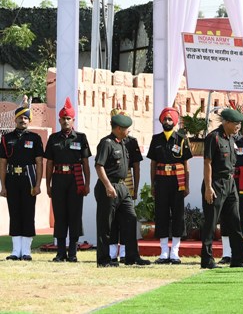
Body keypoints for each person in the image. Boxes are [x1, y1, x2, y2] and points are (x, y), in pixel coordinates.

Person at [94, 112, 150, 267]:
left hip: (122, 187)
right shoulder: (106, 143)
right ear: (118, 128)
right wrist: (107, 185)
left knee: (130, 219)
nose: (128, 131)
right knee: (106, 225)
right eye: (126, 128)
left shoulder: (123, 143)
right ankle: (104, 259)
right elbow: (99, 166)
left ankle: (132, 256)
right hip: (109, 187)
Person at [200, 108, 243, 269]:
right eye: (236, 123)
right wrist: (208, 187)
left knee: (235, 221)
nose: (238, 127)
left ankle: (238, 259)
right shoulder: (213, 138)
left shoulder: (231, 138)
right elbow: (207, 162)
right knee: (211, 223)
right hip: (215, 183)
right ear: (226, 122)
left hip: (230, 184)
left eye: (240, 124)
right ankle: (207, 260)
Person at [44, 97, 91, 262]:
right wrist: (48, 184)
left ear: (73, 120)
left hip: (75, 181)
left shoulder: (81, 138)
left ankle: (73, 253)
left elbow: (85, 163)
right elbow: (49, 163)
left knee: (74, 215)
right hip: (58, 180)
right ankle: (60, 252)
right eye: (63, 118)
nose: (65, 121)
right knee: (60, 216)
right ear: (59, 120)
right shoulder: (53, 139)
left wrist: (87, 184)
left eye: (68, 118)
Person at [146, 107, 192, 264]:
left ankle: (175, 252)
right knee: (161, 214)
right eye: (164, 119)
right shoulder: (156, 139)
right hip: (161, 182)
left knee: (178, 215)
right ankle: (164, 251)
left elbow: (186, 164)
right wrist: (153, 184)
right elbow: (153, 164)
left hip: (177, 182)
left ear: (175, 122)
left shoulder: (181, 139)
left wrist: (187, 184)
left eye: (170, 119)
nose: (167, 121)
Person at [0, 105, 44, 261]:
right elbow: (3, 163)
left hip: (28, 179)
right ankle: (15, 251)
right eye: (20, 117)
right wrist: (3, 186)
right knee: (15, 213)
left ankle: (26, 251)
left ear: (29, 120)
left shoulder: (35, 138)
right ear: (15, 119)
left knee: (28, 212)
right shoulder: (6, 138)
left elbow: (39, 163)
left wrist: (38, 184)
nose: (23, 120)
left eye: (26, 118)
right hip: (12, 179)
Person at [109, 115, 143, 264]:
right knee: (112, 219)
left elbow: (136, 166)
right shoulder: (108, 142)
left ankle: (124, 253)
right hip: (112, 183)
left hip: (127, 180)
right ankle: (111, 253)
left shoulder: (131, 141)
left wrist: (135, 187)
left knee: (127, 219)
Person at [220, 132, 243, 265]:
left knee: (239, 218)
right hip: (225, 182)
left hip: (240, 185)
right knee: (224, 219)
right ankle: (226, 254)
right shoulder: (221, 140)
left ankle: (238, 253)